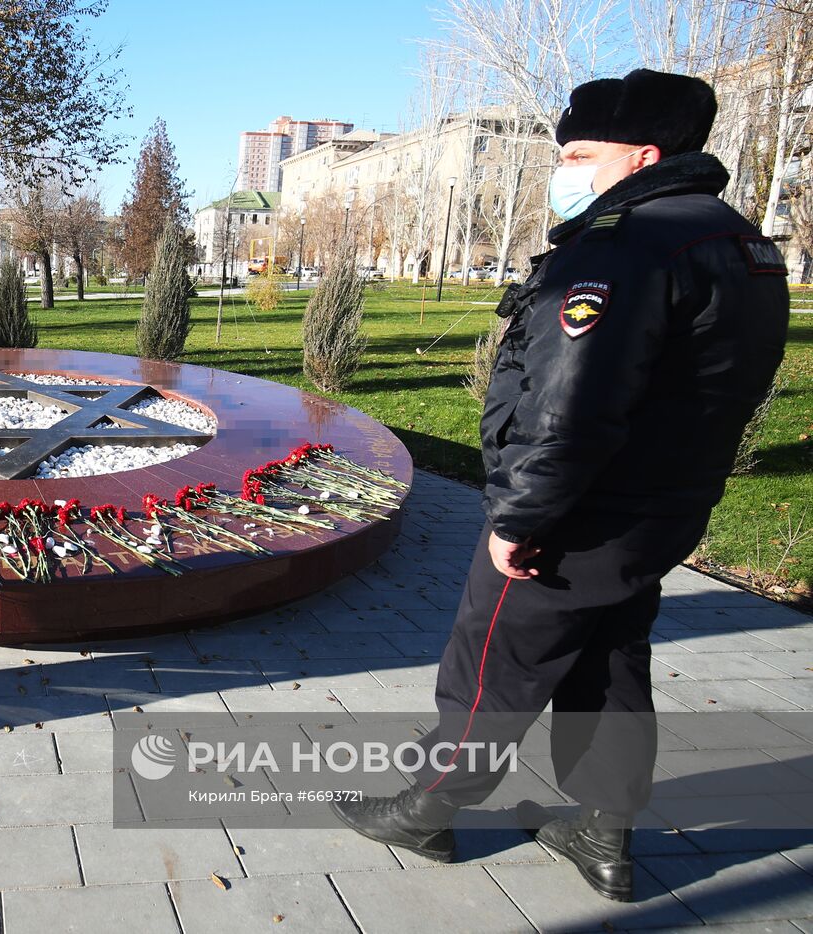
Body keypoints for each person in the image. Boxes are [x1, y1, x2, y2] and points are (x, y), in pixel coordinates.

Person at [331, 69, 789, 901]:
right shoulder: (740, 242)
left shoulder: (625, 246)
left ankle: (428, 810)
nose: (565, 166)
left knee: (493, 663)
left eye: (581, 151)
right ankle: (605, 831)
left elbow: (572, 407)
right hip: (665, 508)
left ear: (644, 153)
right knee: (610, 661)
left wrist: (521, 515)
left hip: (576, 513)